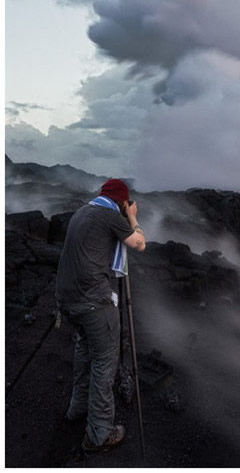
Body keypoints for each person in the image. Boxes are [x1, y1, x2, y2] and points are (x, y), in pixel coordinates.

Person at [55, 178, 146, 453]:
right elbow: (139, 244)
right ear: (121, 202)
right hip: (92, 302)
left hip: (66, 300)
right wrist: (132, 218)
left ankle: (77, 409)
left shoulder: (82, 212)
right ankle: (99, 434)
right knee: (105, 363)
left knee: (84, 351)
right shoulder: (112, 216)